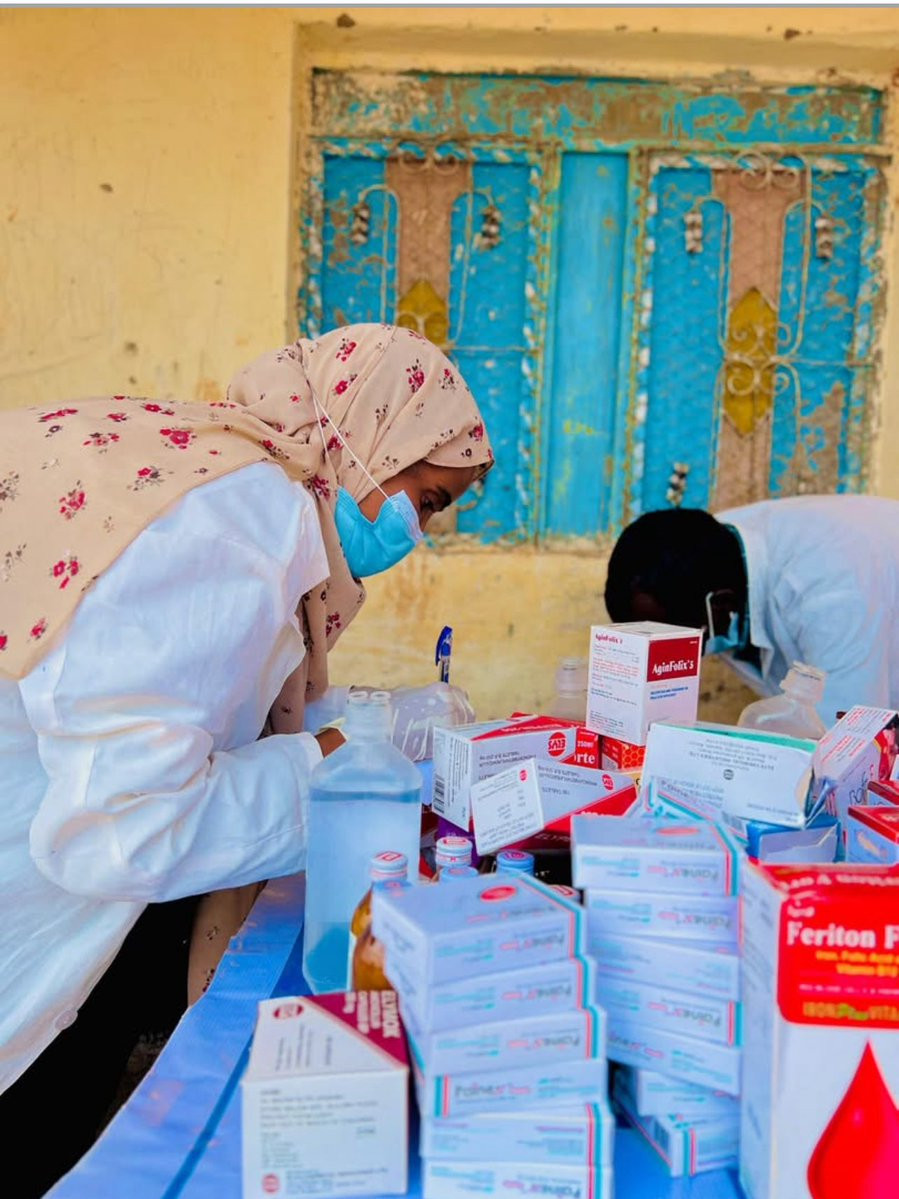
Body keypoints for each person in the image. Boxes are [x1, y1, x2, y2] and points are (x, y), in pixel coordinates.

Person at [0, 323, 492, 1193]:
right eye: (425, 498)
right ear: (367, 433)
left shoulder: (215, 465)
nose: (417, 531)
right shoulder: (240, 523)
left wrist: (363, 724)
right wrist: (335, 763)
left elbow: (188, 704)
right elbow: (125, 830)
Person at [604, 494, 899, 724]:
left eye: (670, 642)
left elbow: (846, 744)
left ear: (720, 605)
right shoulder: (703, 555)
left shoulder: (829, 595)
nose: (659, 661)